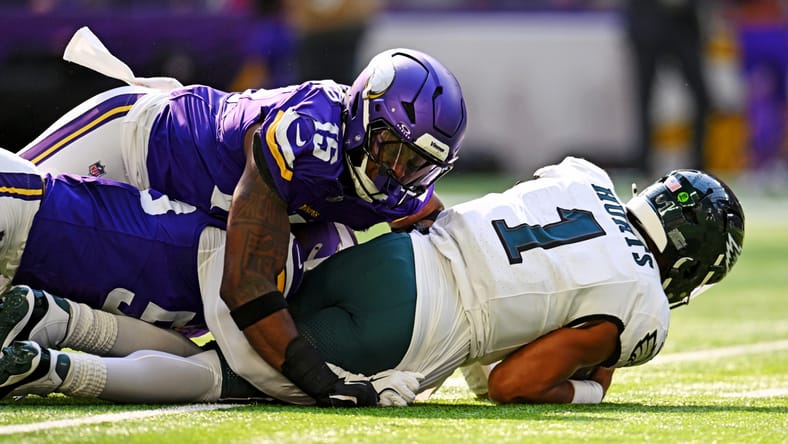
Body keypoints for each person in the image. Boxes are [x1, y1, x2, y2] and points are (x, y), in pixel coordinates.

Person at [0, 156, 745, 405]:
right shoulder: (643, 304)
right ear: (693, 261)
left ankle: (47, 316)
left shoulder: (585, 177)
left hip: (396, 256)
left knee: (224, 337)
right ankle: (54, 367)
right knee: (219, 378)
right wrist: (589, 382)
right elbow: (511, 382)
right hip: (420, 325)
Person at [15, 28, 467, 406]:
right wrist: (322, 381)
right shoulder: (309, 134)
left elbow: (451, 259)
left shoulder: (404, 192)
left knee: (218, 316)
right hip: (138, 141)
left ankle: (48, 323)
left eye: (418, 164)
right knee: (12, 212)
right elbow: (245, 284)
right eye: (392, 150)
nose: (399, 174)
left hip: (205, 212)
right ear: (362, 117)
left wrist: (453, 343)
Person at [0, 146, 415, 405]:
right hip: (24, 210)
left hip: (30, 236)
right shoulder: (255, 259)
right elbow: (240, 368)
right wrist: (343, 386)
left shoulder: (228, 266)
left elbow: (182, 352)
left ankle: (45, 317)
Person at [624, 0, 711, 175]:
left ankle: (699, 163)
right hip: (648, 20)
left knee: (702, 97)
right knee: (644, 98)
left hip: (684, 23)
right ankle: (644, 163)